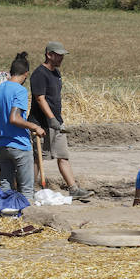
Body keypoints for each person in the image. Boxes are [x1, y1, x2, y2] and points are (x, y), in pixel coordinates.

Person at [28, 41, 94, 200]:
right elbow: (40, 99)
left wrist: (57, 120)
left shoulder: (56, 73)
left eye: (62, 55)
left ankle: (74, 189)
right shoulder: (39, 74)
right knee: (38, 158)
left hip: (57, 122)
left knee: (63, 156)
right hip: (41, 124)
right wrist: (50, 119)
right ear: (48, 55)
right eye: (58, 55)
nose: (61, 58)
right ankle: (27, 189)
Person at [0, 52, 45, 204]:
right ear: (26, 74)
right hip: (19, 145)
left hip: (3, 146)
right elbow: (14, 118)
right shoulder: (20, 90)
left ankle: (7, 217)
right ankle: (27, 220)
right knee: (26, 191)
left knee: (6, 189)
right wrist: (34, 126)